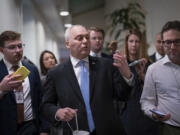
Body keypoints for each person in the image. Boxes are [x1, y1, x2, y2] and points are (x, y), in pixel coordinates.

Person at [41, 25, 134, 135]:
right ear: (67, 44)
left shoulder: (106, 65)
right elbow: (46, 105)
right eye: (79, 38)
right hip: (75, 130)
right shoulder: (56, 73)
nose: (85, 41)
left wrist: (127, 75)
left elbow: (122, 95)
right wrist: (57, 112)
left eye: (87, 37)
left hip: (108, 129)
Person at [0, 31, 48, 135]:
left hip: (31, 126)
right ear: (2, 50)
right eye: (12, 47)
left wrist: (44, 129)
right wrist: (1, 89)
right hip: (5, 128)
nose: (17, 50)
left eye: (20, 46)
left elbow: (41, 100)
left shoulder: (32, 69)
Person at [140, 20, 180, 135]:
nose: (172, 47)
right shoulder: (153, 69)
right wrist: (153, 113)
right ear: (162, 43)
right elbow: (146, 101)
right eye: (168, 42)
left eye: (177, 41)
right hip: (170, 128)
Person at [120, 29, 158, 135]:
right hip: (128, 112)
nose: (134, 45)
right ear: (126, 43)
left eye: (137, 41)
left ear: (141, 44)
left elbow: (155, 91)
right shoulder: (121, 65)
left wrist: (142, 76)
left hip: (147, 112)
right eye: (131, 41)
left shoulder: (149, 64)